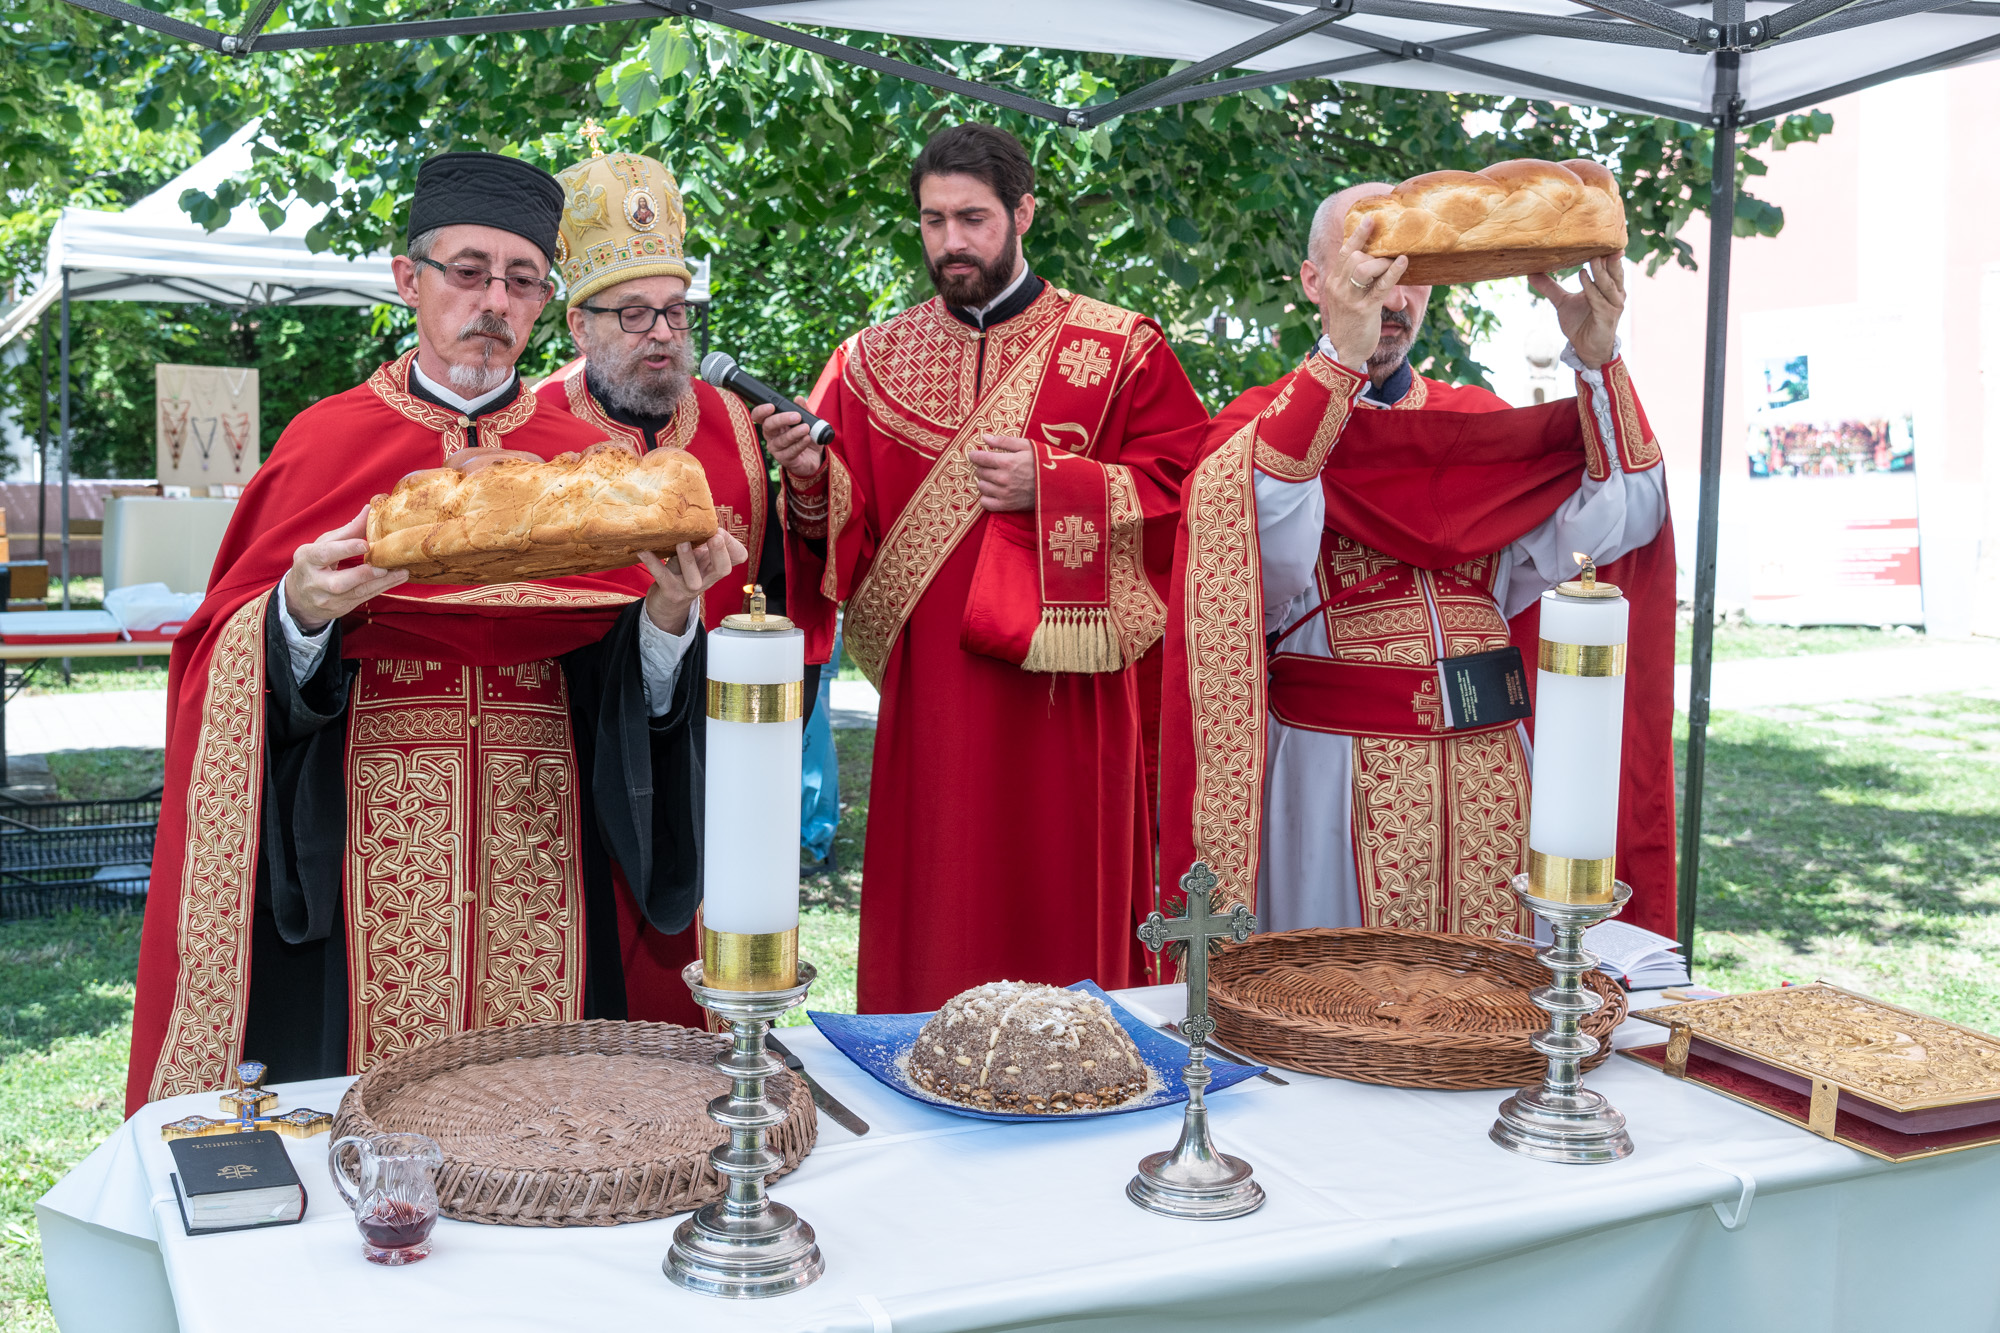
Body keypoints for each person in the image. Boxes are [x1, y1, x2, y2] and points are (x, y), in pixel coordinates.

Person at [127, 151, 747, 1112]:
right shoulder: (324, 444)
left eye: (521, 279)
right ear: (409, 280)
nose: (493, 301)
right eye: (468, 272)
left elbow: (634, 689)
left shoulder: (597, 467)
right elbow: (221, 651)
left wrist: (668, 619)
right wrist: (298, 615)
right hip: (365, 826)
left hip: (548, 834)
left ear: (546, 303)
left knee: (548, 1123)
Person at [758, 123, 1209, 1012]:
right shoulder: (864, 364)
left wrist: (1060, 481)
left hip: (1070, 703)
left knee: (1065, 906)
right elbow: (829, 535)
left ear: (1023, 212)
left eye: (972, 218)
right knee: (942, 909)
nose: (951, 241)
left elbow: (1193, 490)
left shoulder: (1118, 350)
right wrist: (808, 482)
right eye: (933, 220)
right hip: (935, 705)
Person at [1160, 181, 1679, 943]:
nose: (1392, 296)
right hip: (1334, 774)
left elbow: (1618, 527)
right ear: (1315, 282)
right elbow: (1263, 562)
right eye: (1369, 267)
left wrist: (1599, 364)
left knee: (1494, 1016)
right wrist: (1339, 362)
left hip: (1493, 770)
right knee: (1339, 1015)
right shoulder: (1262, 431)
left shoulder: (1479, 427)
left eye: (1412, 273)